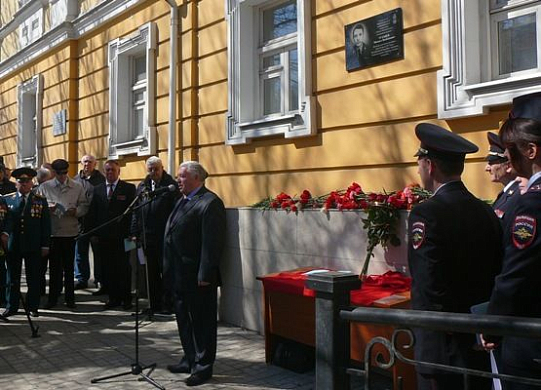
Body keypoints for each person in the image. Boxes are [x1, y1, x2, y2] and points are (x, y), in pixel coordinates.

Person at [408, 123, 503, 390]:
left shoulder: (426, 214)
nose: (418, 170)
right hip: (477, 338)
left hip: (442, 347)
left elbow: (428, 284)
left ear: (430, 165)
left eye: (420, 163)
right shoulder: (485, 211)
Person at [483, 92, 541, 390]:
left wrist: (490, 325)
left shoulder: (530, 205)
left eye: (509, 149)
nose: (505, 157)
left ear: (530, 150)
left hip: (530, 341)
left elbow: (515, 277)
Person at [164, 161, 226, 387]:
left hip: (198, 277)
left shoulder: (210, 203)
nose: (178, 180)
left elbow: (212, 244)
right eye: (178, 176)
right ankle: (189, 358)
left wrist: (205, 274)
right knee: (184, 320)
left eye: (182, 176)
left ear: (197, 178)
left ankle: (203, 367)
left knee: (202, 324)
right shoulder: (183, 200)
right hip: (179, 275)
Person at [131, 156, 179, 314]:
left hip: (165, 237)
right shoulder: (143, 187)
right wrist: (134, 232)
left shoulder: (170, 186)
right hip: (147, 237)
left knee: (165, 271)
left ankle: (167, 304)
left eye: (156, 169)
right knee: (150, 272)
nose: (153, 172)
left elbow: (176, 212)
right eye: (150, 170)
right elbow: (136, 212)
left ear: (162, 168)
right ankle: (154, 304)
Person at [38, 159, 88, 310]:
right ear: (54, 173)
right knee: (54, 269)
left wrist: (76, 212)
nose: (62, 176)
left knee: (69, 268)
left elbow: (84, 205)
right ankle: (52, 299)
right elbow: (37, 206)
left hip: (70, 232)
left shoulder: (77, 187)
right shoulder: (45, 187)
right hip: (53, 233)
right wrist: (48, 209)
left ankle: (70, 299)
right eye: (59, 173)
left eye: (64, 173)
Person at [86, 160, 136, 310]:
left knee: (124, 268)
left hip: (124, 237)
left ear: (118, 172)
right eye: (107, 170)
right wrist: (92, 233)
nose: (110, 173)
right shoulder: (98, 189)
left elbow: (133, 213)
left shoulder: (128, 188)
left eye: (112, 170)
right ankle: (113, 298)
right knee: (108, 268)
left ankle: (126, 299)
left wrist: (133, 233)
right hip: (104, 237)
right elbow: (93, 213)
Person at [2, 168, 51, 318]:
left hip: (33, 244)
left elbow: (46, 225)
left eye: (27, 181)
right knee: (12, 277)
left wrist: (45, 245)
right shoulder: (7, 199)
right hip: (13, 244)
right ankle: (12, 306)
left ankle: (33, 306)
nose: (24, 184)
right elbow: (3, 222)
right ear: (16, 183)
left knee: (34, 277)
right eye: (20, 181)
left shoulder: (40, 200)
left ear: (32, 183)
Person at [73, 154, 105, 291]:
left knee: (98, 254)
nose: (87, 164)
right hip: (79, 223)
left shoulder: (101, 180)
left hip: (95, 223)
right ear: (82, 163)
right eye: (85, 161)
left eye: (90, 162)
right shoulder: (75, 180)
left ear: (95, 164)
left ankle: (99, 279)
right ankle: (81, 279)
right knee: (80, 252)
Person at [485, 132, 522, 226]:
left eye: (491, 163)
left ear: (508, 166)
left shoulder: (519, 196)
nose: (487, 168)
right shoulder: (507, 193)